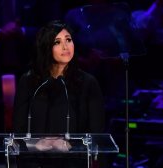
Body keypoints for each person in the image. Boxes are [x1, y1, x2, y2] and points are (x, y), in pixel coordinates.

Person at [12, 20, 106, 168]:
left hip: (73, 164)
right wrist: (36, 144)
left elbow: (97, 137)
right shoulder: (29, 81)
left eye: (68, 40)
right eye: (57, 42)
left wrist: (70, 145)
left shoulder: (88, 83)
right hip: (34, 163)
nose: (65, 46)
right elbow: (17, 133)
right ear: (46, 48)